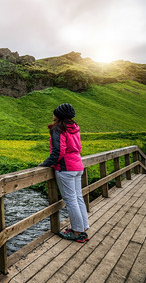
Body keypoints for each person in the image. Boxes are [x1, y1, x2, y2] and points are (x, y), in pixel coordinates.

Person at [39, 103, 89, 243]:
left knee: (71, 200)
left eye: (55, 113)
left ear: (59, 115)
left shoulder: (58, 129)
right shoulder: (74, 127)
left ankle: (77, 232)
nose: (53, 115)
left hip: (66, 168)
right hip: (78, 166)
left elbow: (58, 151)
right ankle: (83, 228)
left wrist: (46, 163)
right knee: (78, 198)